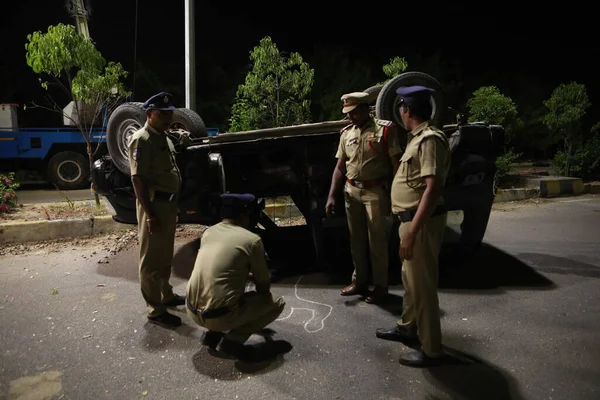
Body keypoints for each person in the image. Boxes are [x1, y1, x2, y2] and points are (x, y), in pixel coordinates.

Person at [375, 85, 451, 367]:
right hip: (409, 222)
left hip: (420, 224)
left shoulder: (429, 139)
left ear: (407, 110)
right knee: (410, 281)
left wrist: (413, 233)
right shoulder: (416, 138)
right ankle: (408, 327)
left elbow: (432, 189)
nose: (400, 113)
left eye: (401, 108)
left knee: (423, 287)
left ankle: (432, 350)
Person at [186, 193, 286, 361]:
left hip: (192, 311)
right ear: (244, 215)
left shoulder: (209, 232)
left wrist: (240, 273)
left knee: (218, 288)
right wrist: (253, 277)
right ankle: (233, 340)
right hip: (220, 316)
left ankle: (213, 334)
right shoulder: (251, 240)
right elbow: (263, 288)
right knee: (276, 303)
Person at [325, 91, 402, 304]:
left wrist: (395, 196)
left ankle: (380, 286)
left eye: (353, 112)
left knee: (377, 241)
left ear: (365, 108)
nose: (349, 117)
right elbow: (340, 167)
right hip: (351, 192)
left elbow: (396, 165)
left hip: (375, 192)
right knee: (356, 240)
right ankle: (359, 281)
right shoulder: (346, 133)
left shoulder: (385, 130)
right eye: (347, 113)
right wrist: (332, 195)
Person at [128, 92, 185, 329]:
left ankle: (166, 295)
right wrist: (150, 214)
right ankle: (154, 309)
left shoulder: (164, 137)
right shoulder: (142, 139)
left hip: (168, 204)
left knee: (164, 254)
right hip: (154, 206)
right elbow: (138, 179)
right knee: (151, 258)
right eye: (163, 114)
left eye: (170, 113)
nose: (168, 117)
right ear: (150, 114)